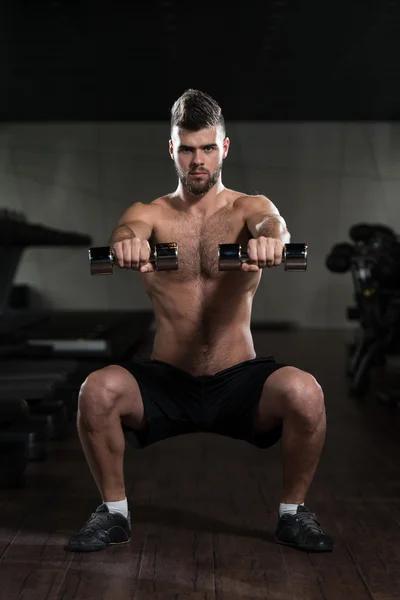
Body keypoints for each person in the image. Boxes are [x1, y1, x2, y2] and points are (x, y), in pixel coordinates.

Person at [67, 89, 333, 554]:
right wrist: (127, 243)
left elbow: (273, 224)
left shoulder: (248, 209)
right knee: (97, 391)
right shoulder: (148, 214)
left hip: (238, 378)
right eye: (187, 149)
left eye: (208, 148)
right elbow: (127, 232)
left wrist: (271, 239)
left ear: (224, 148)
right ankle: (113, 513)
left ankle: (294, 515)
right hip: (167, 379)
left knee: (306, 393)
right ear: (172, 149)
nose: (198, 161)